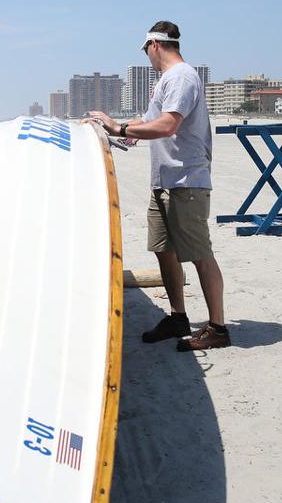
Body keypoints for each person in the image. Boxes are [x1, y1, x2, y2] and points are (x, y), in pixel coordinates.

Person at [85, 20, 230, 351]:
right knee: (164, 250)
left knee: (199, 254)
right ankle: (178, 316)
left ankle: (218, 328)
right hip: (163, 182)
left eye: (146, 51)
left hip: (186, 181)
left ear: (154, 45)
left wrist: (120, 129)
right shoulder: (165, 81)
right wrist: (104, 128)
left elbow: (166, 125)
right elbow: (141, 127)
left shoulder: (181, 77)